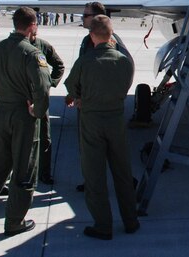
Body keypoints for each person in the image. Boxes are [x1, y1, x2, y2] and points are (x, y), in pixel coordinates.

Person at [0, 6, 51, 237]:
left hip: (1, 113)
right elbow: (42, 88)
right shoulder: (33, 53)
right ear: (33, 25)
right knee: (24, 172)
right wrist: (38, 110)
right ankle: (14, 222)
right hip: (24, 116)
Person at [65, 15, 140, 239]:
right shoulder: (124, 61)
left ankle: (103, 226)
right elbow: (126, 84)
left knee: (94, 175)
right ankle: (131, 221)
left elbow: (71, 87)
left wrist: (79, 98)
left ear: (91, 35)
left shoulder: (85, 61)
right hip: (116, 120)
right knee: (123, 173)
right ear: (111, 35)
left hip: (92, 121)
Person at [71, 1, 133, 192]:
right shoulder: (88, 40)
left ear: (96, 18)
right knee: (91, 152)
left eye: (86, 15)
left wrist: (116, 95)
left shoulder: (110, 40)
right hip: (88, 104)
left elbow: (126, 66)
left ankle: (124, 186)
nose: (83, 18)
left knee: (112, 153)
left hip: (99, 108)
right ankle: (92, 182)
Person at [31, 33, 65, 185]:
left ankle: (44, 172)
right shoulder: (11, 46)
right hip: (19, 99)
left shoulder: (43, 46)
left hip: (40, 98)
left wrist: (49, 84)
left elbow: (59, 65)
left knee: (45, 136)